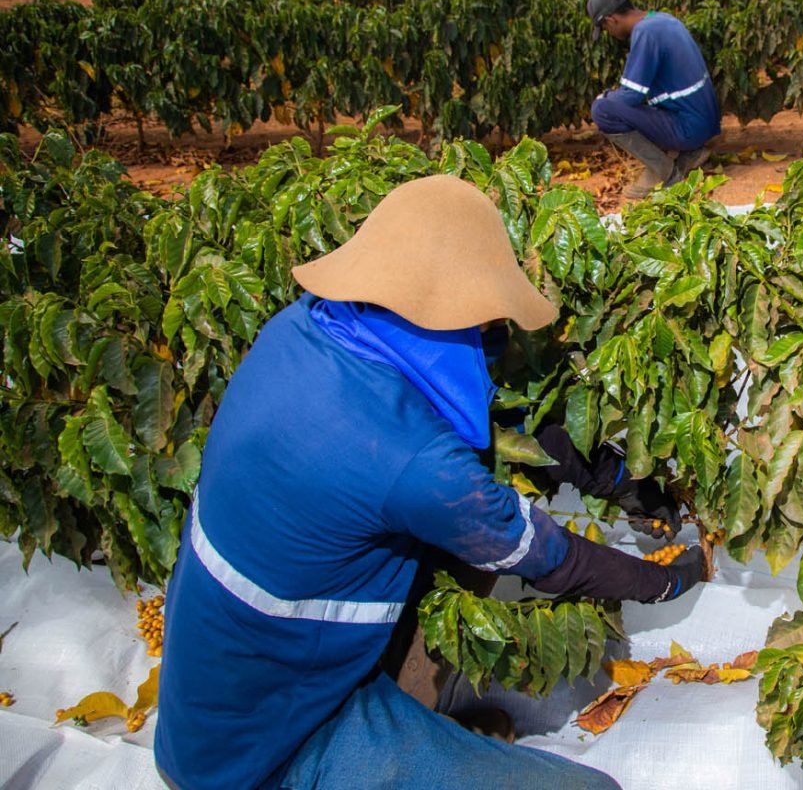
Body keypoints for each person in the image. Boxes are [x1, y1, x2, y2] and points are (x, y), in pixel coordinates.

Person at [154, 175, 706, 790]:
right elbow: (545, 555)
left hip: (216, 689)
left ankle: (420, 716)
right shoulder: (414, 464)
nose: (491, 338)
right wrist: (664, 579)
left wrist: (617, 481)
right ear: (451, 318)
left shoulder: (302, 329)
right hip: (265, 750)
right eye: (486, 324)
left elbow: (501, 425)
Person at [587, 0, 721, 200]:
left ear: (611, 19)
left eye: (604, 29)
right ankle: (690, 153)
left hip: (689, 127)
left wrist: (606, 97)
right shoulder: (661, 20)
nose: (609, 34)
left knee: (602, 110)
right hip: (703, 123)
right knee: (633, 102)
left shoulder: (645, 33)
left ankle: (663, 171)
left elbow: (631, 95)